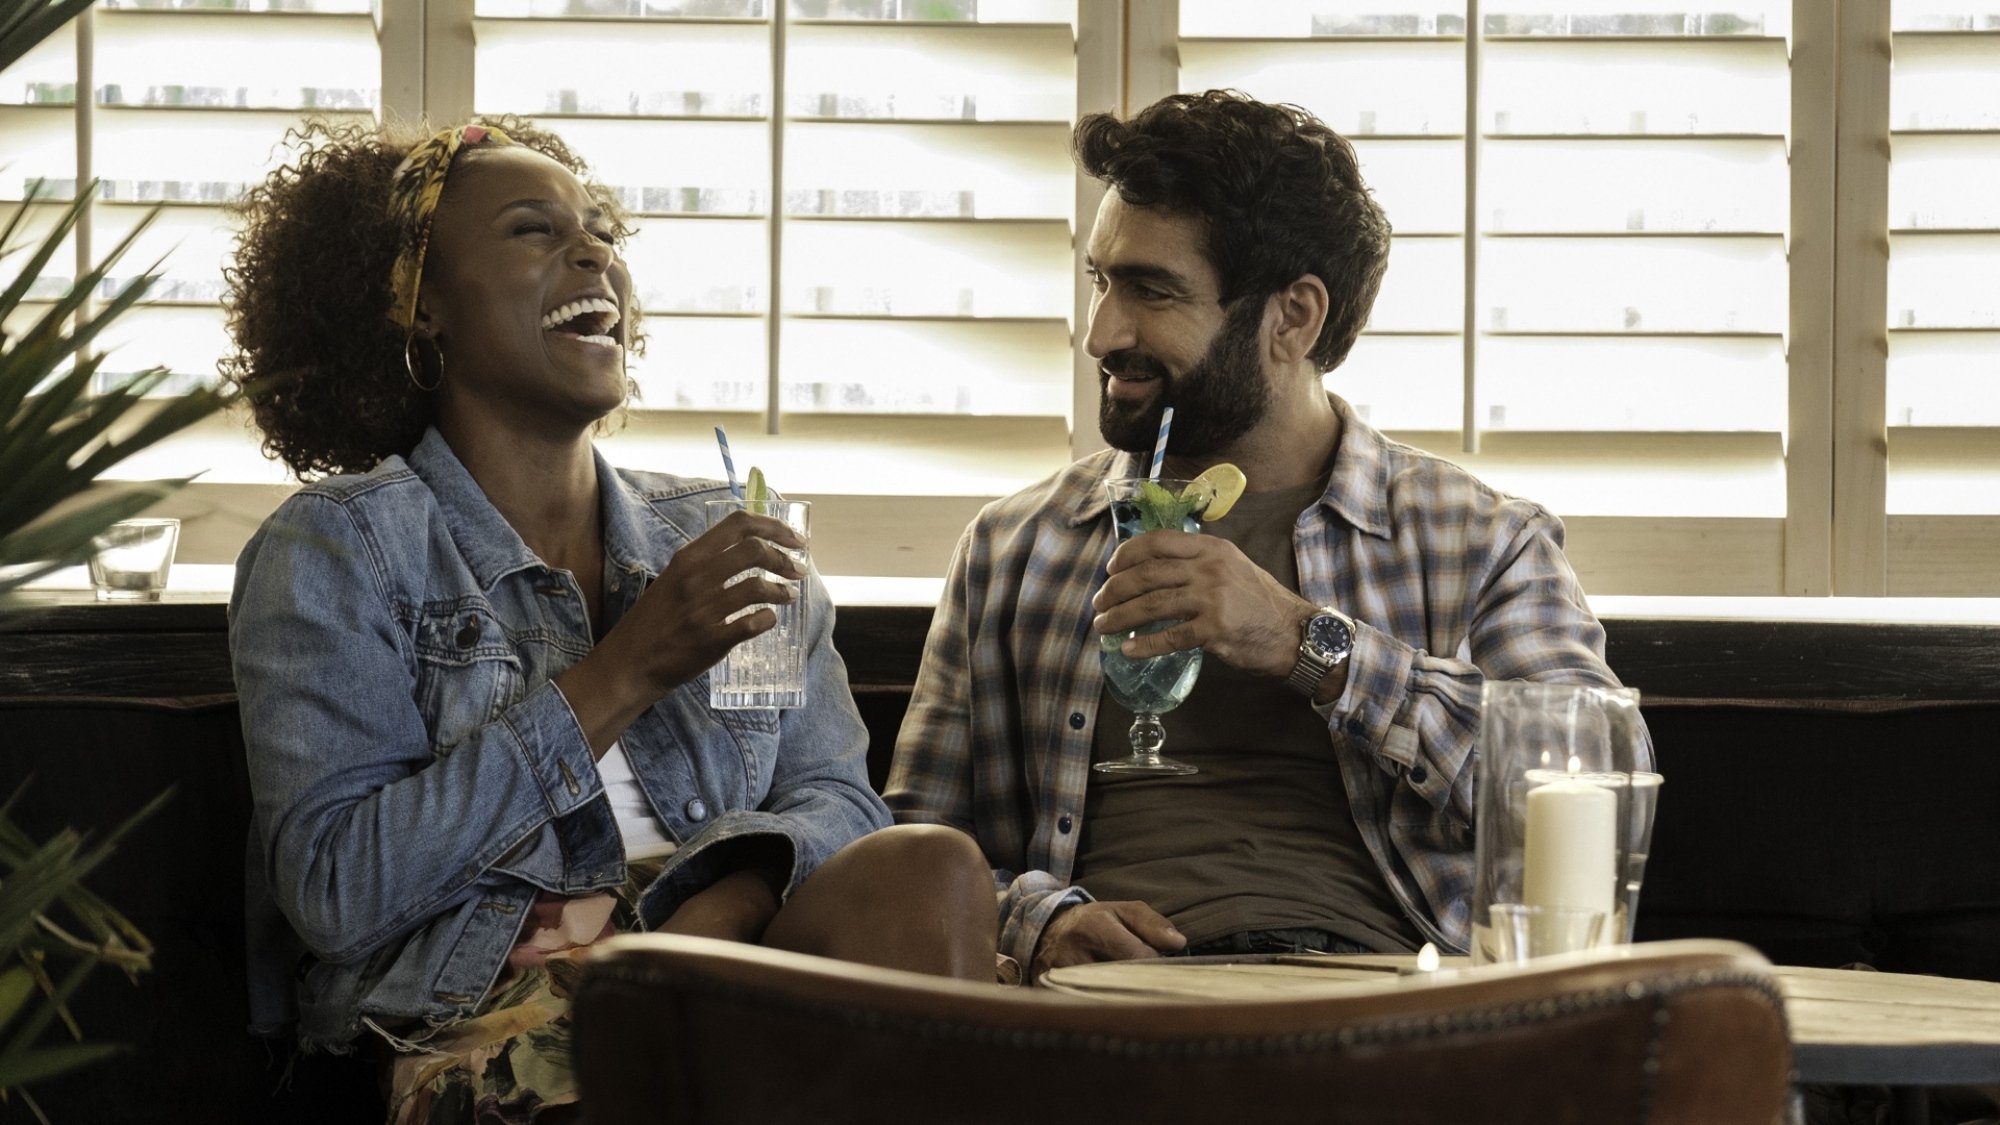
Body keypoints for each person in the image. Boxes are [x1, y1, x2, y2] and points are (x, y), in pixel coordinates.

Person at [223, 117, 995, 1124]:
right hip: (486, 1018)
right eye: (531, 232)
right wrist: (626, 668)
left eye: (600, 234)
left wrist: (705, 915)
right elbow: (337, 892)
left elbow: (837, 806)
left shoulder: (723, 538)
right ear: (421, 307)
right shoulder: (337, 551)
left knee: (930, 868)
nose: (593, 253)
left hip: (739, 972)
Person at [885, 90, 1647, 982]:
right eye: (1101, 280)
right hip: (1096, 1020)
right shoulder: (1014, 548)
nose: (1100, 333)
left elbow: (1602, 782)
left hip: (1382, 1011)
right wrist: (1039, 921)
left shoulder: (1480, 539)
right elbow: (911, 850)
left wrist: (1306, 642)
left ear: (1293, 318)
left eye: (1152, 290)